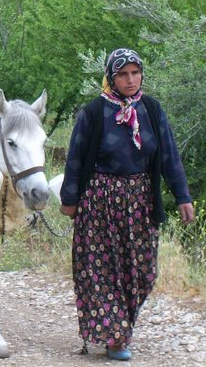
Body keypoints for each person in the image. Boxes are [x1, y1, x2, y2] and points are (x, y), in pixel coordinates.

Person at [59, 48, 194, 362]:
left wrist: (183, 196)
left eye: (135, 73)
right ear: (111, 77)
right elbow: (75, 158)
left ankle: (118, 326)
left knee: (141, 271)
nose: (130, 80)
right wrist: (70, 200)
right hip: (99, 201)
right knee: (100, 269)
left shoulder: (152, 110)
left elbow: (168, 156)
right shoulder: (93, 112)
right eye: (122, 74)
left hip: (140, 201)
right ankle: (115, 336)